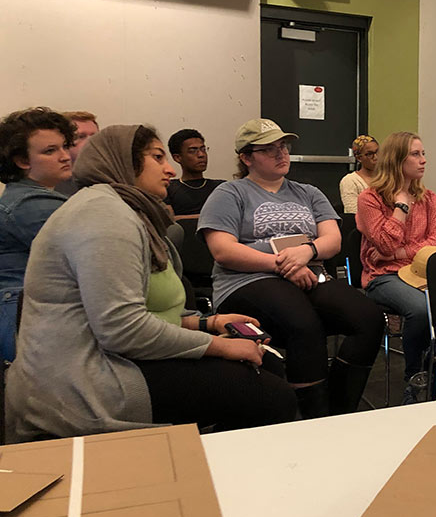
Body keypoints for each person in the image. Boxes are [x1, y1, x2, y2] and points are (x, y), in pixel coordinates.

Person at [4, 125, 297, 442]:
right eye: (157, 158)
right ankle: (196, 473)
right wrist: (221, 345)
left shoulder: (125, 210)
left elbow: (142, 310)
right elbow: (123, 328)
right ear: (124, 163)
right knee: (270, 396)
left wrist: (208, 323)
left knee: (266, 364)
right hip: (82, 382)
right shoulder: (103, 215)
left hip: (106, 356)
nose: (169, 169)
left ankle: (200, 463)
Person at [199, 118, 383, 418]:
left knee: (369, 317)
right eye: (268, 149)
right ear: (247, 158)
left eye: (283, 146)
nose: (281, 154)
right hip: (247, 281)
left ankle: (337, 409)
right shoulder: (230, 194)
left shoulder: (308, 192)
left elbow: (332, 240)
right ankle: (311, 418)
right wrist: (284, 264)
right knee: (301, 321)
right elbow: (223, 250)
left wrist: (306, 252)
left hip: (307, 273)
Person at [356, 132, 436, 398]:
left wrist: (399, 252)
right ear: (397, 160)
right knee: (421, 309)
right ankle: (415, 380)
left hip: (422, 273)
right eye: (416, 154)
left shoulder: (429, 198)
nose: (423, 161)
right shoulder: (370, 199)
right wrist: (401, 207)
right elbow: (383, 243)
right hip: (383, 277)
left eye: (423, 153)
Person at [0, 107, 75, 364]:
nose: (65, 156)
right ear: (22, 161)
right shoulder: (29, 204)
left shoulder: (38, 197)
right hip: (28, 322)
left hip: (39, 314)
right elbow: (88, 254)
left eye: (65, 146)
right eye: (50, 151)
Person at [165, 128, 225, 216]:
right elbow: (169, 223)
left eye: (203, 149)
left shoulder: (221, 187)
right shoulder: (168, 188)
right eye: (193, 151)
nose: (201, 155)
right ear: (177, 158)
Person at [55, 110, 100, 196]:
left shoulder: (105, 177)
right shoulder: (52, 181)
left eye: (95, 136)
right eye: (81, 137)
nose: (90, 142)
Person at [339, 134, 379, 214]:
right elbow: (353, 212)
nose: (376, 157)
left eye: (377, 152)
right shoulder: (350, 181)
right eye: (370, 154)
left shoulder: (387, 177)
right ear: (359, 158)